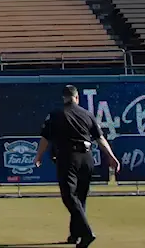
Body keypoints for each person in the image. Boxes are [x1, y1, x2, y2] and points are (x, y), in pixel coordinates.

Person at [34, 84, 119, 248]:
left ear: (64, 98)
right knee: (80, 198)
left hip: (67, 157)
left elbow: (45, 138)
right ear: (77, 98)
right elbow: (100, 138)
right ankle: (75, 234)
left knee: (69, 197)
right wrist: (111, 156)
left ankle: (86, 233)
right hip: (87, 158)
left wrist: (39, 156)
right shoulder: (87, 114)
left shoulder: (56, 114)